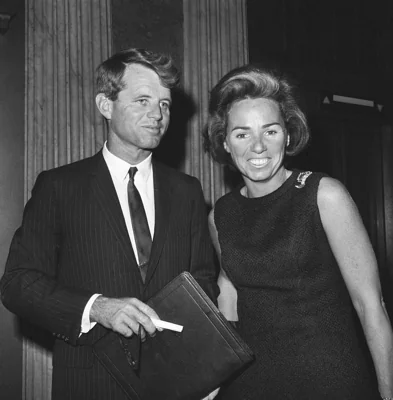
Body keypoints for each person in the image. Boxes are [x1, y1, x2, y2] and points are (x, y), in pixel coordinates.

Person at [0, 48, 219, 400]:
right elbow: (17, 283)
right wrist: (97, 307)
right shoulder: (60, 187)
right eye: (143, 100)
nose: (157, 115)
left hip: (174, 385)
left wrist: (206, 365)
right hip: (89, 383)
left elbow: (204, 283)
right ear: (106, 105)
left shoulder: (188, 191)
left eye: (164, 104)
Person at [204, 64, 393, 400]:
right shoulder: (221, 213)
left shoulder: (323, 194)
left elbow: (369, 305)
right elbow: (230, 290)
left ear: (288, 136)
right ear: (226, 143)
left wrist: (388, 392)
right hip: (251, 384)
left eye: (271, 131)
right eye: (242, 133)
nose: (258, 146)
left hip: (329, 380)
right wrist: (212, 378)